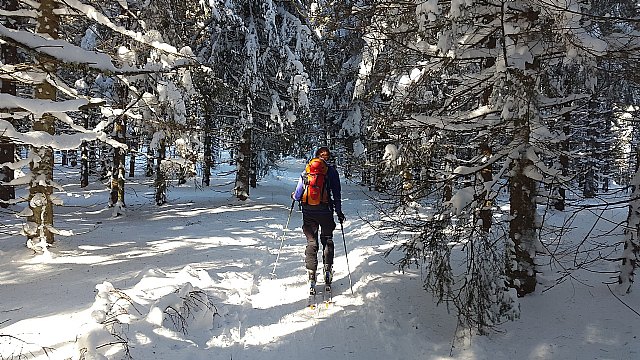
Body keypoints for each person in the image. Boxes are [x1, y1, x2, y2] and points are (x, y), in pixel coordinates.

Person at [292, 147, 345, 293]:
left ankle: (311, 274)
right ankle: (327, 271)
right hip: (325, 211)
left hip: (308, 211)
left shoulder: (307, 170)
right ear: (328, 158)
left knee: (311, 242)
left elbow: (298, 194)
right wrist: (339, 211)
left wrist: (294, 197)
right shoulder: (331, 171)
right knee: (327, 239)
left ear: (316, 156)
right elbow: (337, 193)